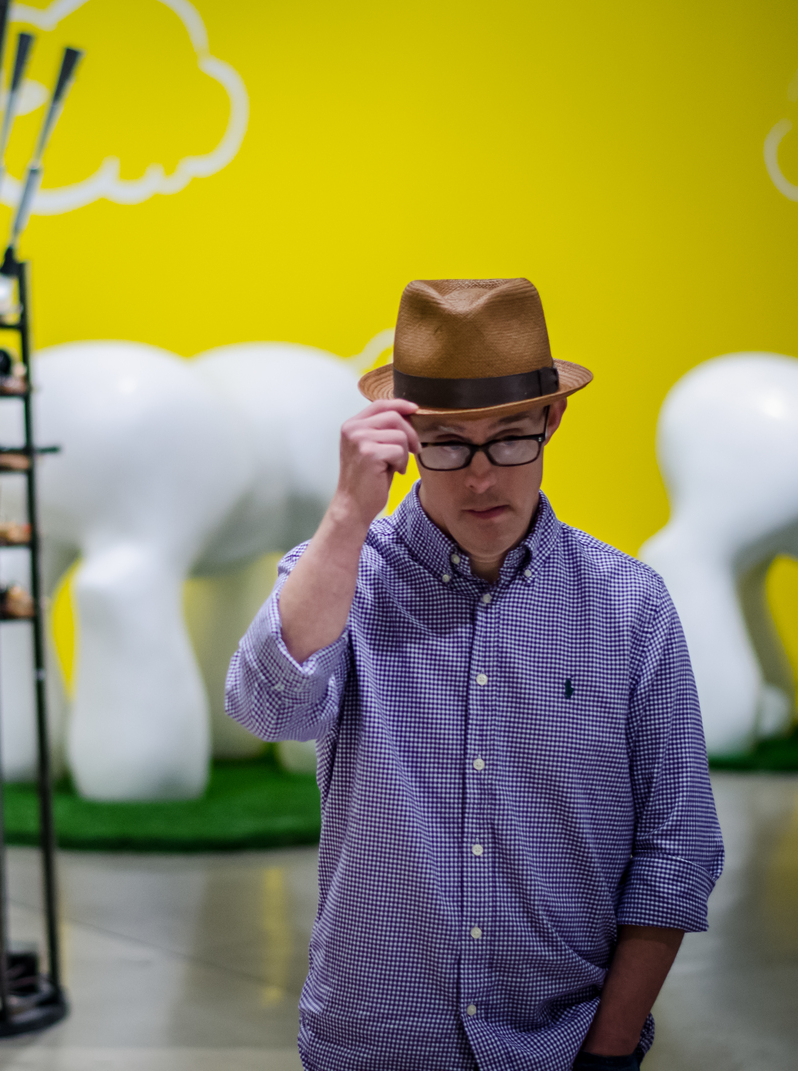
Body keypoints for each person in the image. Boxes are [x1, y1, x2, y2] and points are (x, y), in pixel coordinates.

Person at [226, 278, 723, 1071]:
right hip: (372, 1043)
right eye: (449, 444)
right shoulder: (341, 575)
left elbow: (677, 849)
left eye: (510, 437)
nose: (482, 477)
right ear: (407, 438)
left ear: (552, 419)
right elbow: (265, 706)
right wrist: (348, 515)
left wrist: (608, 1048)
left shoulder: (631, 605)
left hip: (562, 1046)